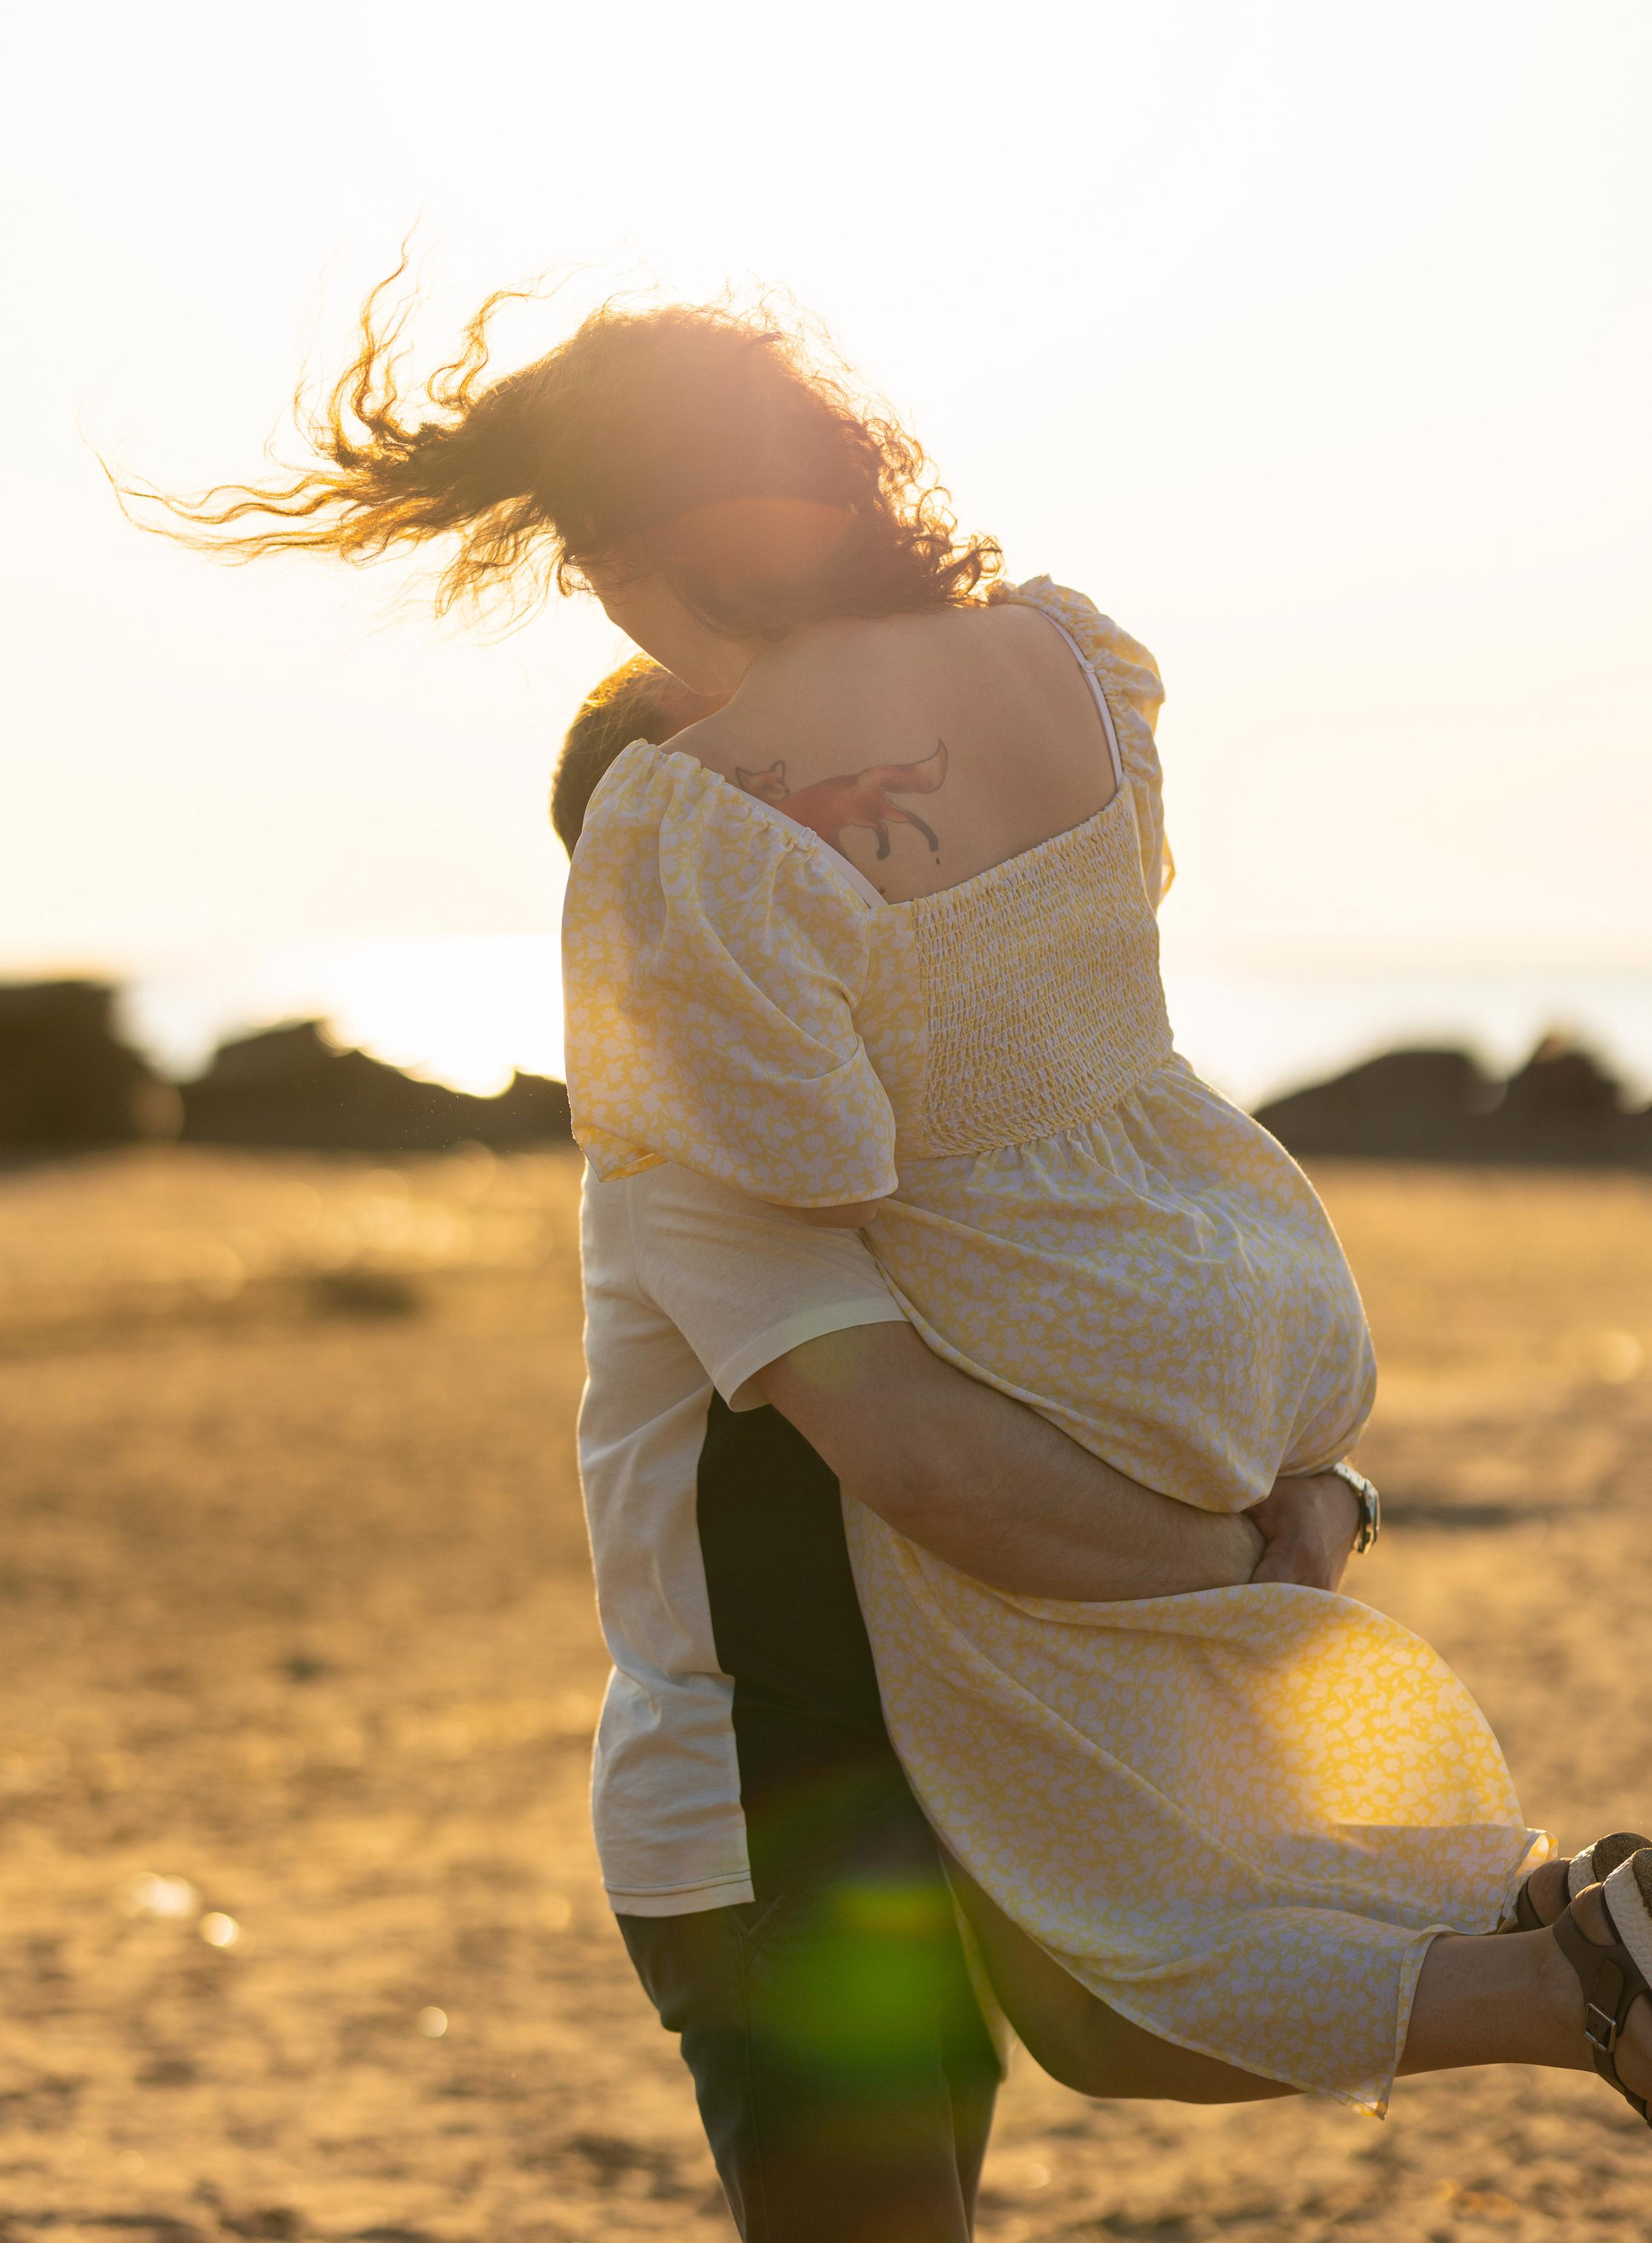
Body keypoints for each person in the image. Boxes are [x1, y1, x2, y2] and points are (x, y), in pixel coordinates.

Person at [147, 277, 1651, 2147]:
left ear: (624, 544)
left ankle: (1569, 1960)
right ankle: (1556, 1946)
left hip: (911, 1591)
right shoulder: (1072, 663)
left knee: (1119, 1978)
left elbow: (874, 1315)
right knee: (1110, 1991)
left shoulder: (692, 865)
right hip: (1233, 1274)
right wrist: (1308, 1502)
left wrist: (1261, 1554)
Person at [555, 661, 1365, 2239]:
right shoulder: (685, 1154)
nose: (831, 830)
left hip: (957, 1764)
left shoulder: (894, 1135)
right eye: (758, 796)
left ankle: (1565, 1960)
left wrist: (1323, 1486)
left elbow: (1095, 1376)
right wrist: (1246, 1566)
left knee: (1104, 2046)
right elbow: (929, 1466)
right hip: (770, 1807)